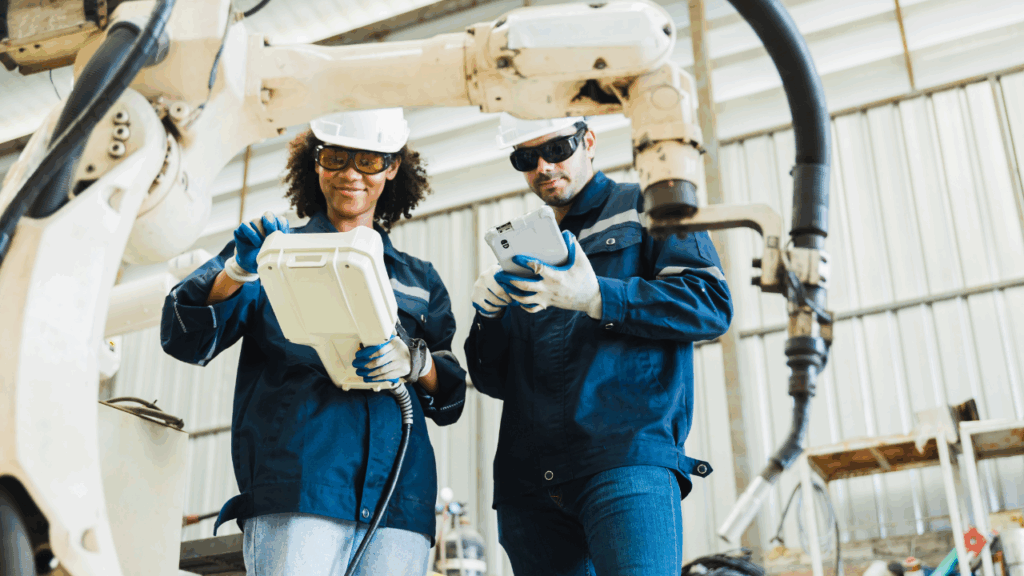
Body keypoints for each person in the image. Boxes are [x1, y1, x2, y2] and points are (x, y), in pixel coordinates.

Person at [161, 108, 467, 576]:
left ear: (391, 168)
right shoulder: (273, 253)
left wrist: (415, 361)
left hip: (399, 503)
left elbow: (449, 398)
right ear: (316, 162)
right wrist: (236, 271)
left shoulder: (419, 280)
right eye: (336, 157)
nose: (350, 174)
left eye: (368, 161)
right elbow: (184, 336)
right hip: (301, 491)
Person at [465, 115, 734, 576]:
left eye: (557, 149)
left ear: (588, 140)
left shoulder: (644, 206)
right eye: (526, 158)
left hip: (624, 463)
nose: (544, 166)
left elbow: (709, 304)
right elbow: (493, 380)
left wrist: (598, 297)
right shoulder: (526, 247)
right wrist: (487, 317)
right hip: (530, 486)